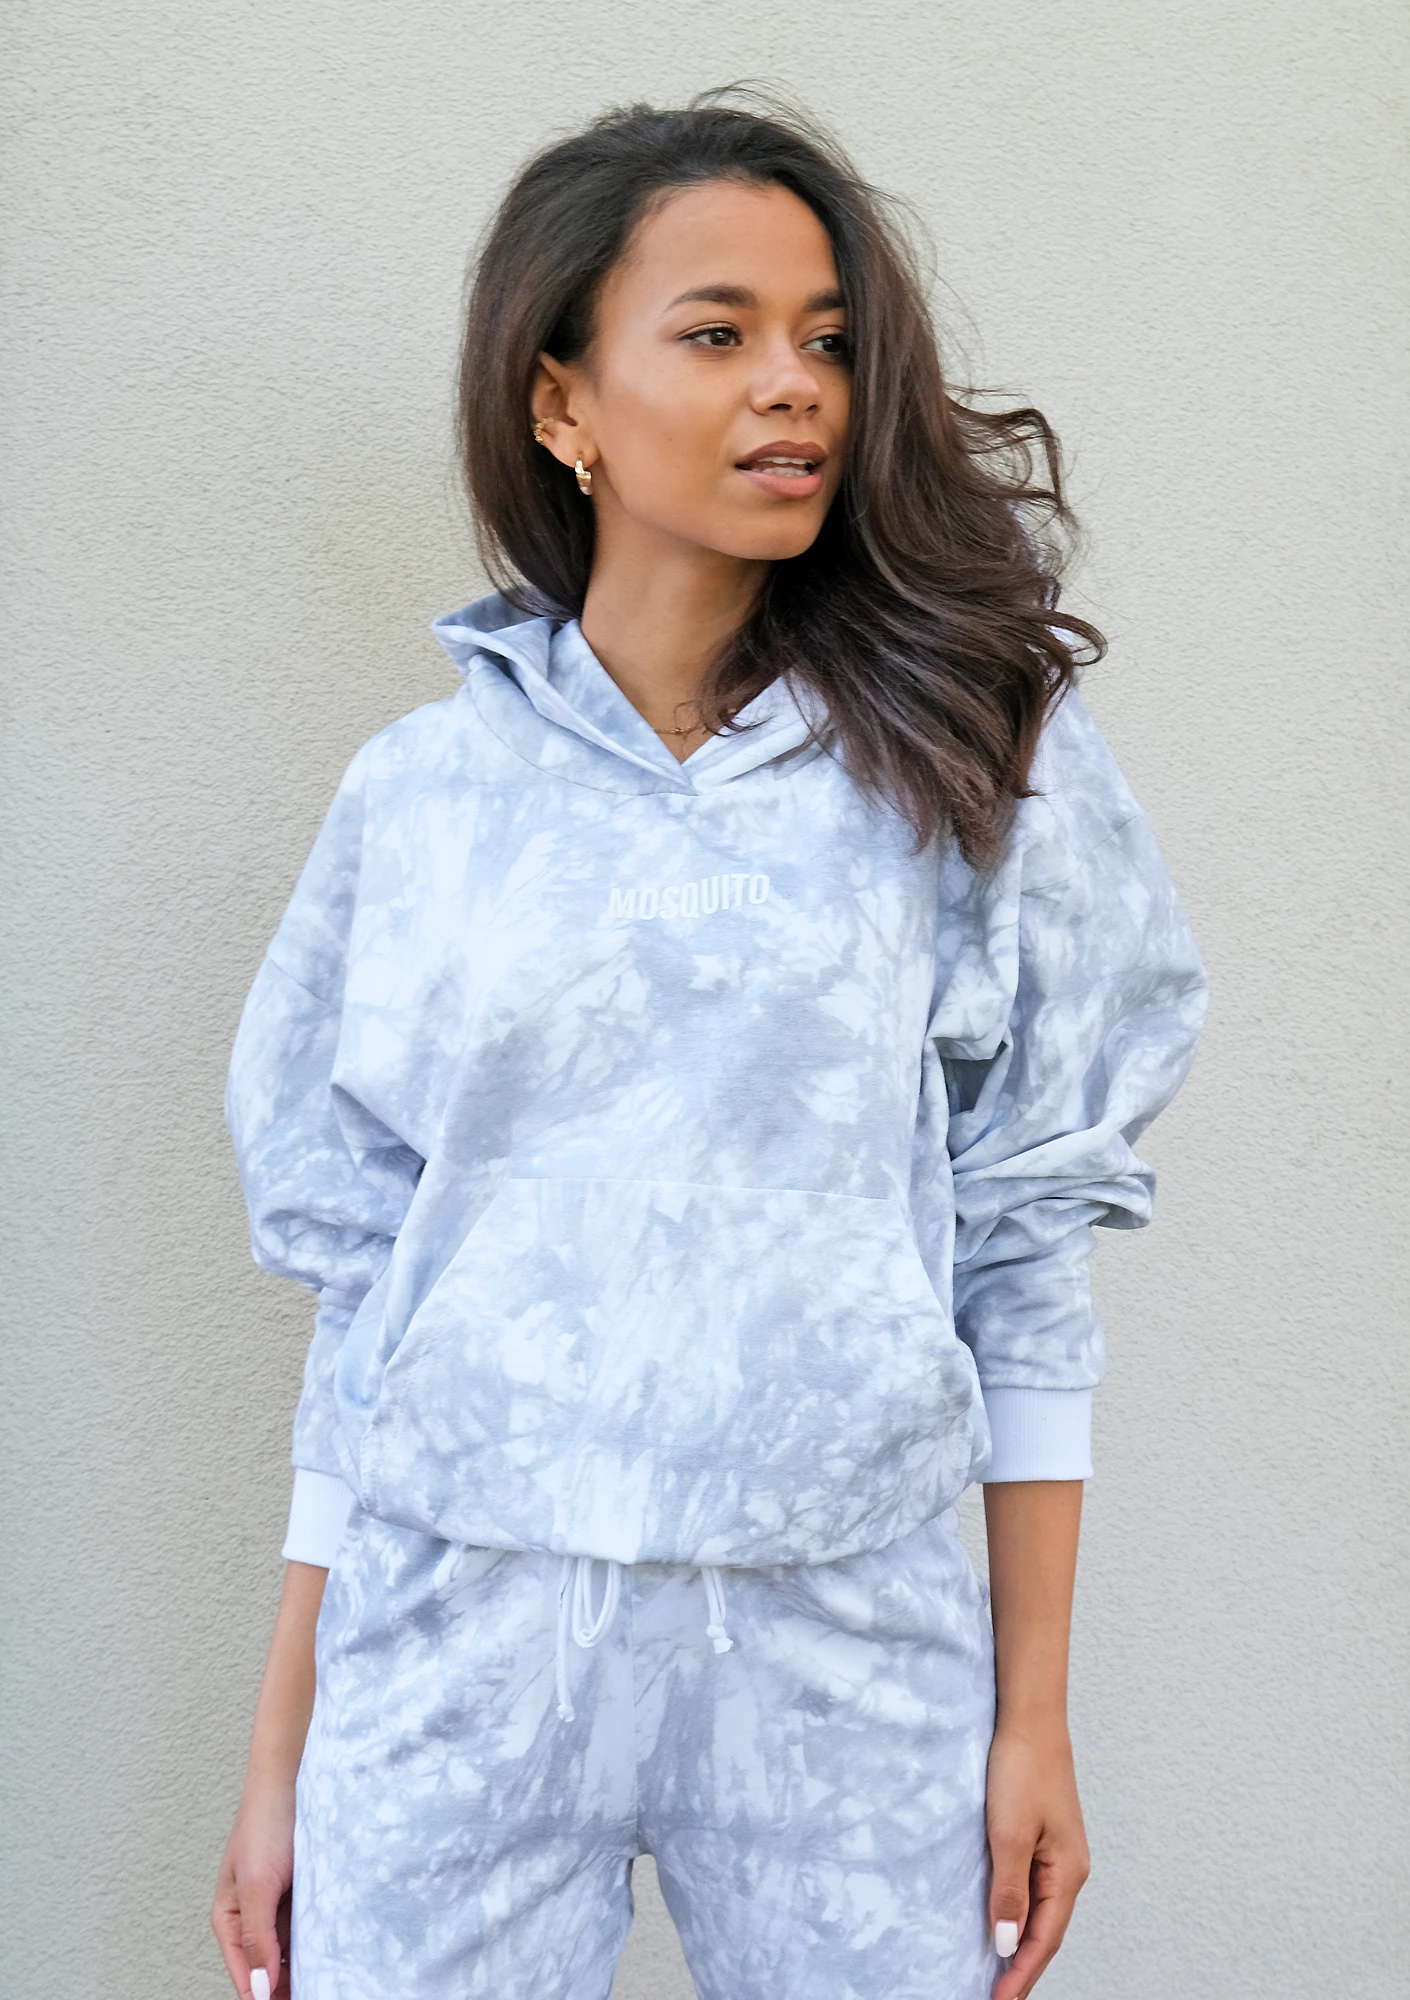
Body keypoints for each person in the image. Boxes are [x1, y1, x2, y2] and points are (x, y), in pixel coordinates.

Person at [210, 93, 1207, 2000]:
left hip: (844, 1642)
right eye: (716, 330)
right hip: (458, 1639)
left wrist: (1033, 1717)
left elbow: (1024, 1241)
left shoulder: (970, 760)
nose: (792, 384)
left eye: (825, 337)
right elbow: (369, 1289)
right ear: (560, 402)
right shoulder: (423, 798)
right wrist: (286, 1753)